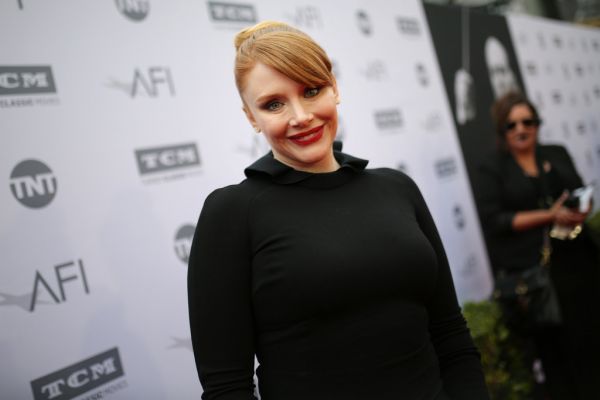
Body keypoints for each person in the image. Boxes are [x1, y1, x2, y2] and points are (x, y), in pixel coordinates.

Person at [187, 21, 489, 400]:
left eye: (311, 91)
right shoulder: (231, 213)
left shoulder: (397, 188)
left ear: (335, 88)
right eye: (273, 104)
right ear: (251, 117)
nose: (300, 116)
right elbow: (227, 387)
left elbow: (450, 333)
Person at [476, 91, 600, 399]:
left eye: (527, 121)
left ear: (537, 123)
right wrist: (549, 215)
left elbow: (581, 190)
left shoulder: (556, 153)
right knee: (556, 353)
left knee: (592, 339)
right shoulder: (491, 168)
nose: (521, 129)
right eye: (511, 124)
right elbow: (496, 221)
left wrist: (581, 207)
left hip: (579, 262)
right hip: (538, 276)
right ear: (502, 131)